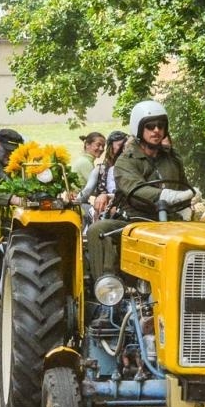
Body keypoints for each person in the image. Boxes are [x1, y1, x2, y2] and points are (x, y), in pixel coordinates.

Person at [88, 100, 193, 279]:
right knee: (97, 230)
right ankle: (107, 291)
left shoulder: (173, 158)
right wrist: (168, 196)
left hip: (172, 221)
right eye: (150, 126)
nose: (156, 131)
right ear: (139, 128)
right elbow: (135, 190)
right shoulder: (125, 161)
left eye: (161, 126)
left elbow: (184, 187)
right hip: (135, 220)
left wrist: (188, 203)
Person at [77, 130, 128, 221]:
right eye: (121, 146)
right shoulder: (100, 169)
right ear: (111, 148)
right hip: (105, 212)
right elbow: (87, 191)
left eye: (128, 146)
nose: (125, 149)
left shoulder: (134, 168)